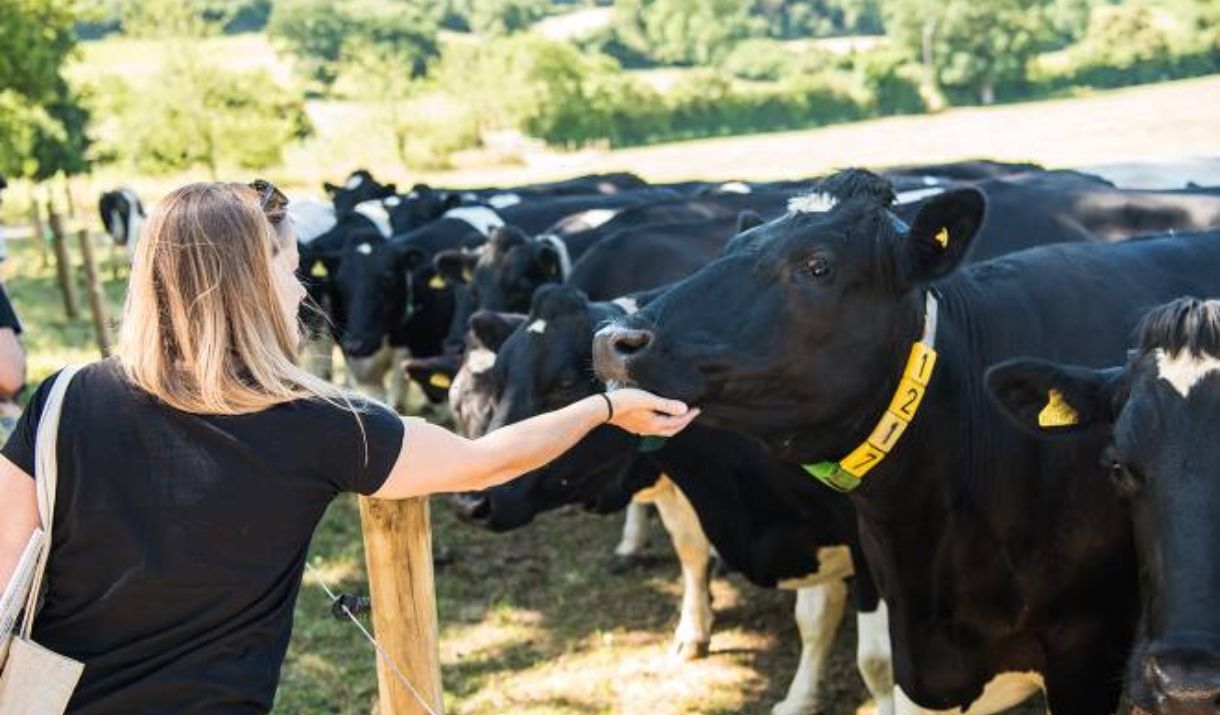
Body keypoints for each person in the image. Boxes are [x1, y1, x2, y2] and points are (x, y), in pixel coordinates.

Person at [0, 181, 698, 714]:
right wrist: (605, 407)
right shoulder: (323, 423)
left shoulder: (65, 397)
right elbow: (486, 458)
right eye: (289, 266)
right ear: (250, 283)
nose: (299, 285)